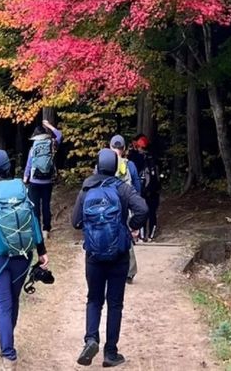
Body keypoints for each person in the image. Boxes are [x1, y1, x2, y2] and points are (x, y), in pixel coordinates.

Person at [72, 148, 148, 368]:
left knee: (94, 299)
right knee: (115, 304)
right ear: (116, 167)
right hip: (119, 255)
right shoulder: (122, 189)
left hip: (94, 255)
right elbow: (142, 209)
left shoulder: (87, 189)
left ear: (97, 165)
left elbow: (75, 222)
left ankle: (91, 339)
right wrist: (131, 227)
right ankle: (110, 353)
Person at [0, 149, 49, 367]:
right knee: (13, 300)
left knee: (2, 305)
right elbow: (34, 220)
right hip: (22, 255)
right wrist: (42, 251)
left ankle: (8, 354)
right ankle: (8, 342)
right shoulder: (21, 189)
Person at [23, 118, 62, 239]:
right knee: (46, 205)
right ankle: (46, 230)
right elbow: (60, 135)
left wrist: (25, 177)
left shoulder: (33, 147)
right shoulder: (52, 144)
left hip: (34, 181)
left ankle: (37, 231)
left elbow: (29, 164)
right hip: (48, 181)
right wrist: (49, 125)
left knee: (35, 206)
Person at [109, 135, 141, 282]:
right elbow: (137, 188)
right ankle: (130, 271)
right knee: (127, 237)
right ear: (124, 149)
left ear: (110, 147)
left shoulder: (104, 164)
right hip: (126, 206)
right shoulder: (130, 165)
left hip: (108, 206)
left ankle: (109, 269)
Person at [128, 135, 161, 241]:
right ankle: (151, 235)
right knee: (152, 213)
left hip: (143, 190)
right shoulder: (154, 157)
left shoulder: (136, 158)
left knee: (141, 211)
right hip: (154, 190)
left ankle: (141, 236)